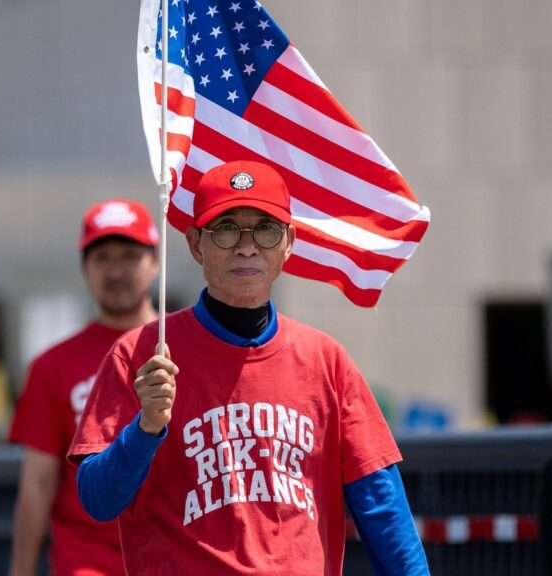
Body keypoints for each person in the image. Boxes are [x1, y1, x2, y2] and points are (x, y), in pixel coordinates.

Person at [68, 161, 429, 575]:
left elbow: (381, 505)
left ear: (288, 242)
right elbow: (97, 500)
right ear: (195, 244)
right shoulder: (142, 355)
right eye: (225, 229)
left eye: (265, 228)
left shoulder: (327, 361)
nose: (246, 246)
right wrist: (146, 427)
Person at [8, 199, 160, 576]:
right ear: (84, 269)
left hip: (171, 557)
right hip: (87, 563)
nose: (115, 270)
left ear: (156, 263)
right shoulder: (51, 366)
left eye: (129, 255)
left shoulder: (188, 350)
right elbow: (37, 484)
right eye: (102, 258)